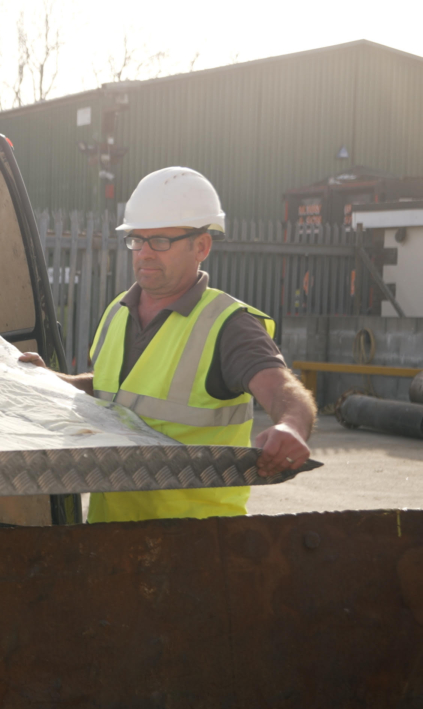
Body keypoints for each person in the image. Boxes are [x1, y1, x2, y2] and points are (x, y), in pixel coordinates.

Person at [21, 167, 316, 522]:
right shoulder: (118, 311)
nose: (144, 253)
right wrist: (50, 380)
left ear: (201, 246)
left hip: (193, 545)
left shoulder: (228, 324)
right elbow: (111, 391)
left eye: (160, 241)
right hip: (109, 532)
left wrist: (292, 426)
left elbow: (281, 386)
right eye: (137, 239)